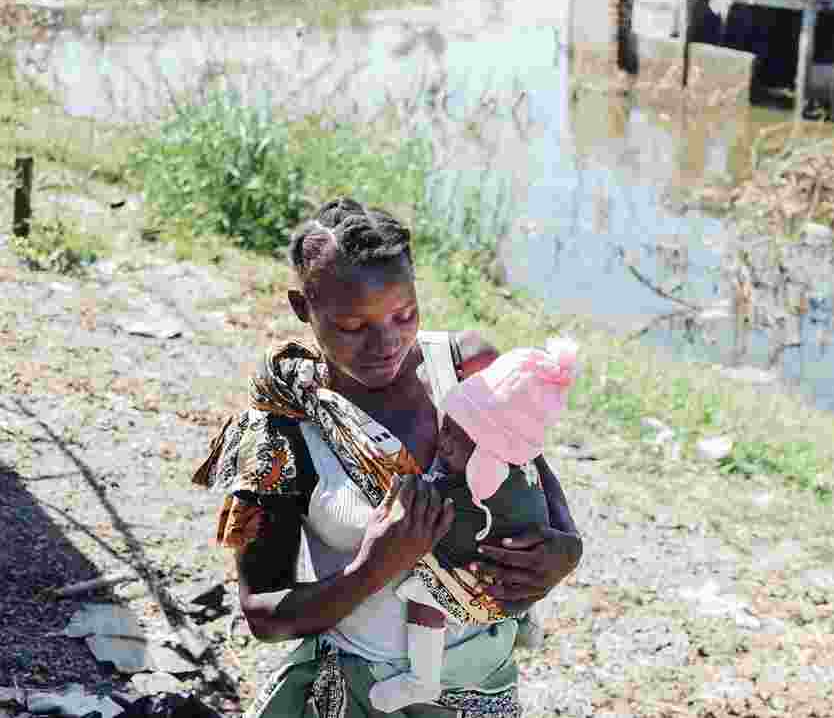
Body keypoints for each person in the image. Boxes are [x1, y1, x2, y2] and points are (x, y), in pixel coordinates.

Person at [192, 197, 582, 718]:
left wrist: (565, 549)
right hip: (361, 696)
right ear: (302, 308)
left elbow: (530, 463)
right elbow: (264, 613)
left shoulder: (466, 369)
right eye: (353, 326)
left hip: (484, 688)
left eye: (404, 315)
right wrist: (372, 567)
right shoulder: (284, 428)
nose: (385, 342)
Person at [371, 338, 579, 712]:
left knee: (421, 593)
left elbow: (442, 520)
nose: (444, 443)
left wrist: (571, 546)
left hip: (482, 602)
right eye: (446, 429)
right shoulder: (499, 451)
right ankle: (521, 621)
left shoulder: (466, 364)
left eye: (455, 440)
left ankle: (422, 678)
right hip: (492, 603)